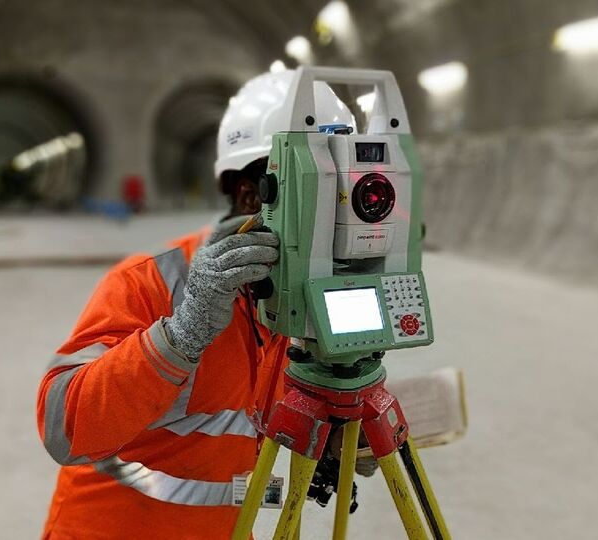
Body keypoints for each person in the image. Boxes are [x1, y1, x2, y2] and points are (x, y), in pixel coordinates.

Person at [36, 70, 375, 540]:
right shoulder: (151, 281)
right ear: (250, 196)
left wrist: (332, 444)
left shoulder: (297, 305)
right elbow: (63, 426)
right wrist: (181, 336)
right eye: (314, 195)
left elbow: (237, 456)